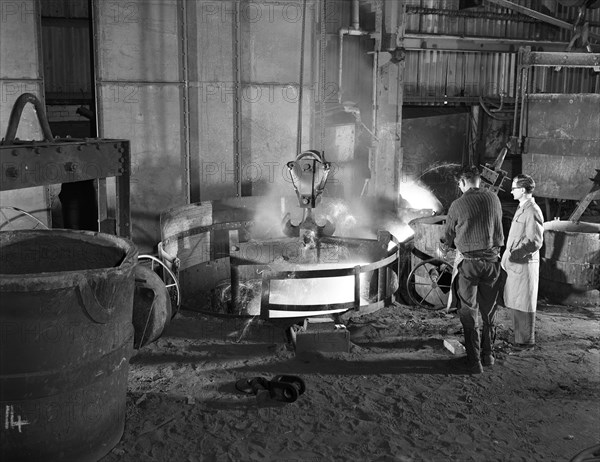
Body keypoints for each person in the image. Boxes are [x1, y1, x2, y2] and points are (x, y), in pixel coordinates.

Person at [440, 165, 504, 374]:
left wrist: (443, 246)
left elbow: (447, 237)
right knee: (489, 311)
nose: (459, 187)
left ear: (464, 182)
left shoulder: (458, 204)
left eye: (459, 184)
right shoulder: (494, 199)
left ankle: (474, 361)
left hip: (469, 265)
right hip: (493, 263)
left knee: (469, 310)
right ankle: (488, 356)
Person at [501, 174, 544, 349]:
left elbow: (535, 241)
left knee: (524, 304)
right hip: (517, 265)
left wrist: (515, 255)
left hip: (524, 265)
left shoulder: (533, 210)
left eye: (514, 188)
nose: (511, 191)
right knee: (517, 302)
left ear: (524, 190)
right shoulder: (522, 208)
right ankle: (520, 339)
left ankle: (526, 341)